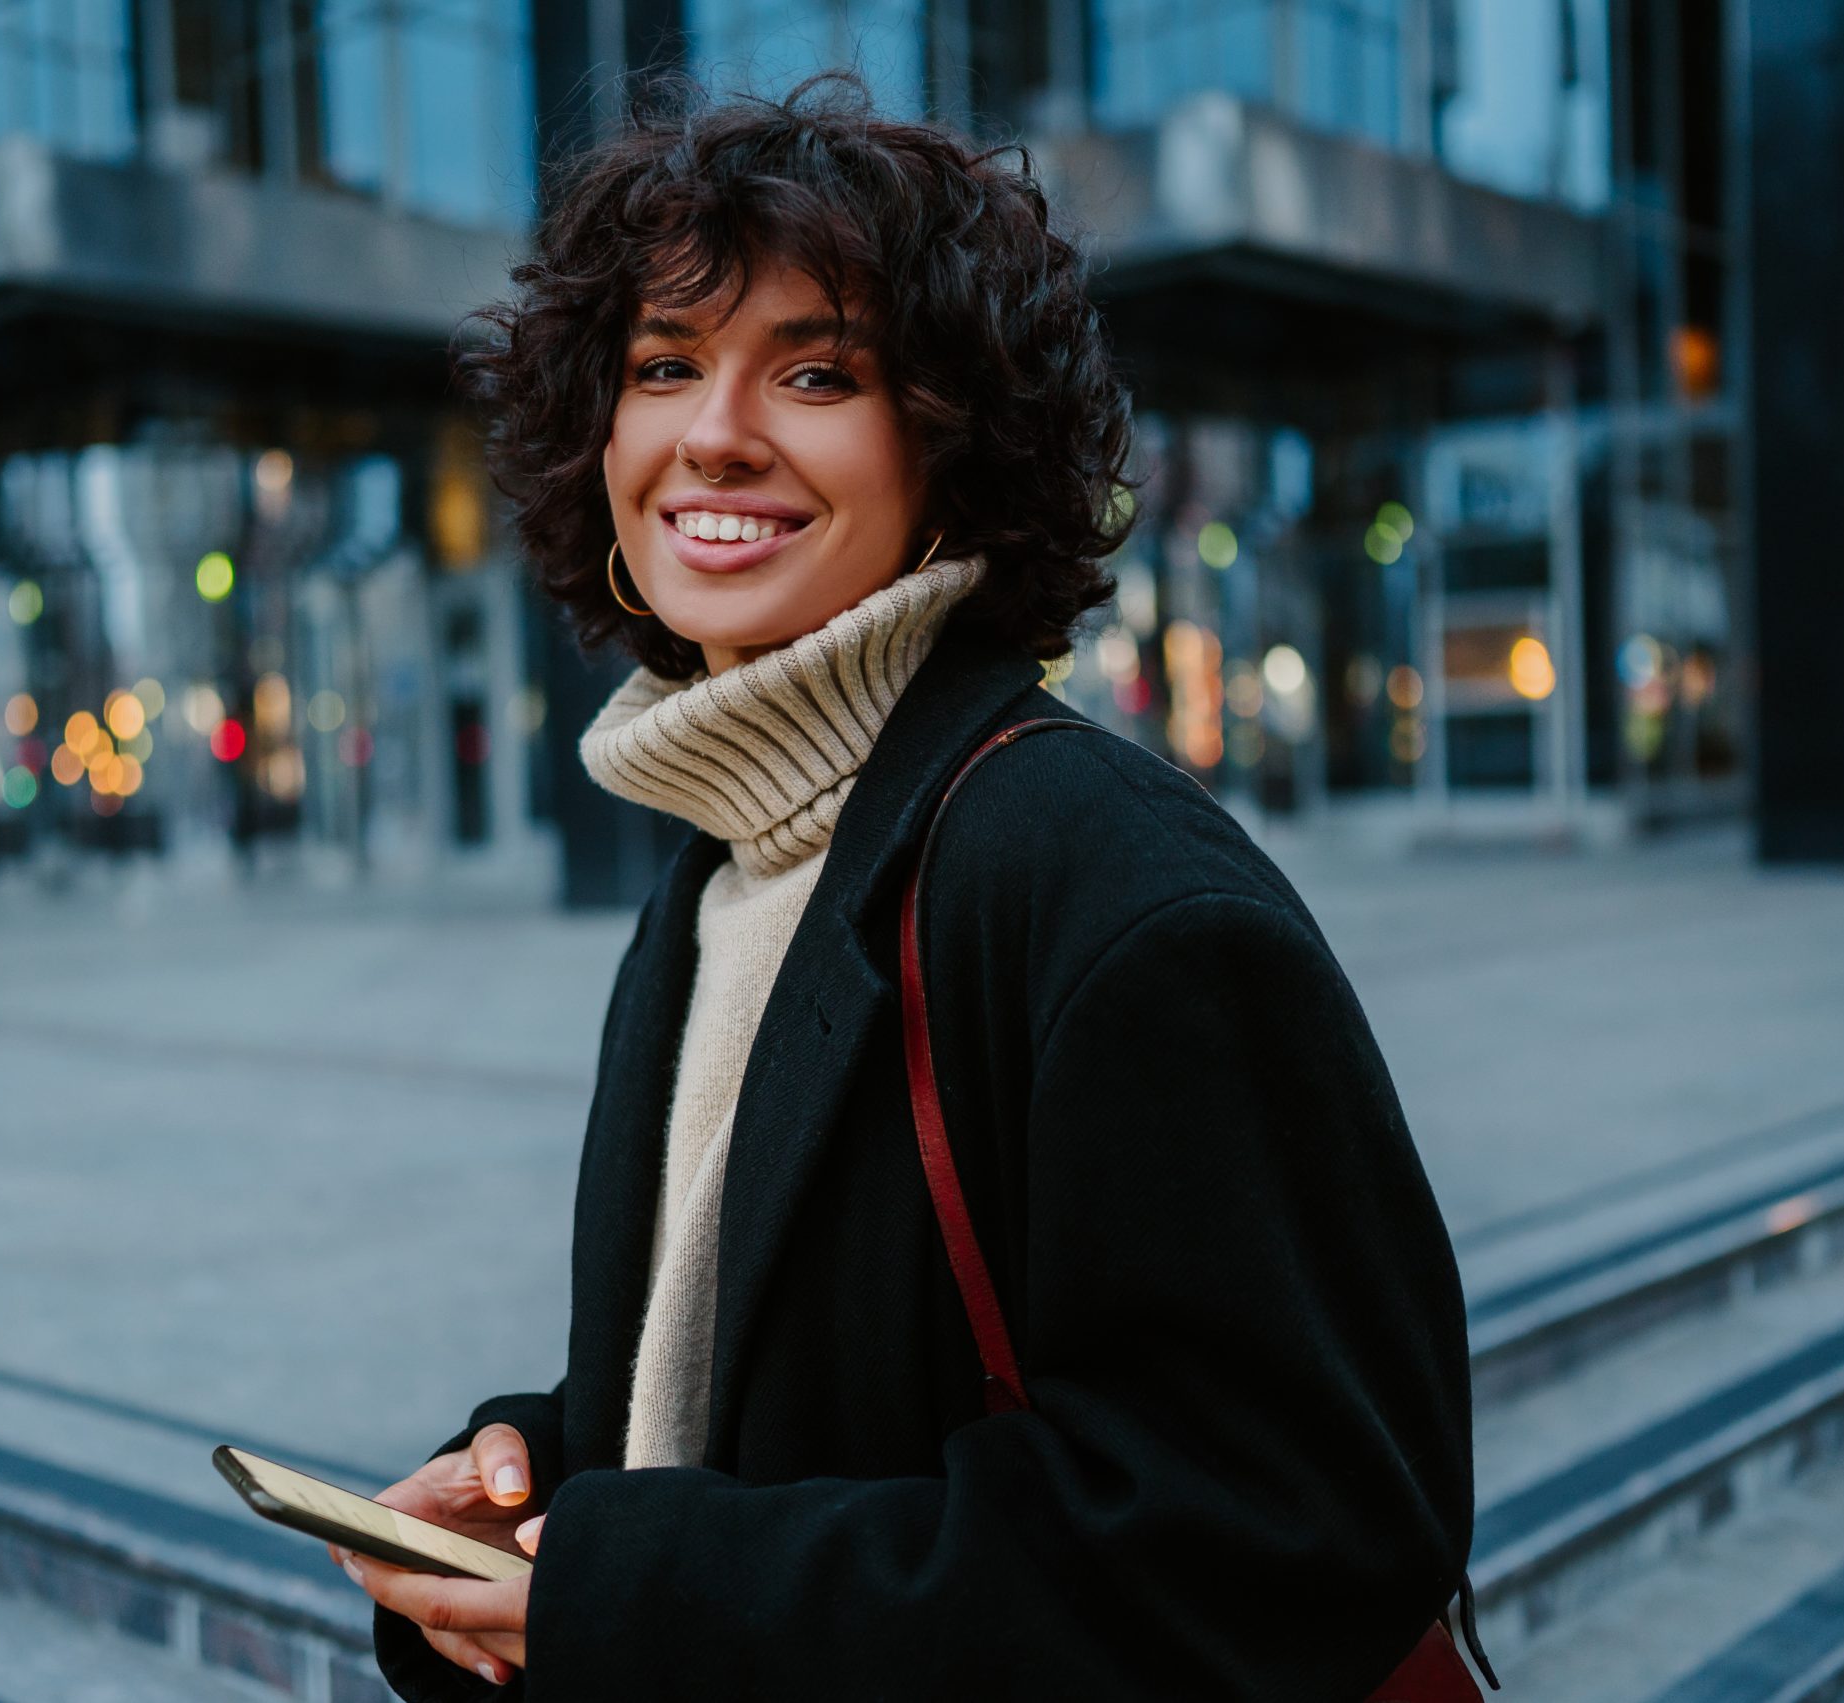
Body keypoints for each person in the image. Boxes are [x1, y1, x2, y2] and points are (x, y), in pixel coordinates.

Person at [337, 73, 1477, 1700]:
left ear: (954, 444)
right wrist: (529, 1479)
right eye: (663, 366)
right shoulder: (731, 862)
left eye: (817, 370)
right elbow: (807, 1385)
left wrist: (651, 1593)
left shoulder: (1101, 882)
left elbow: (1298, 1531)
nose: (713, 433)